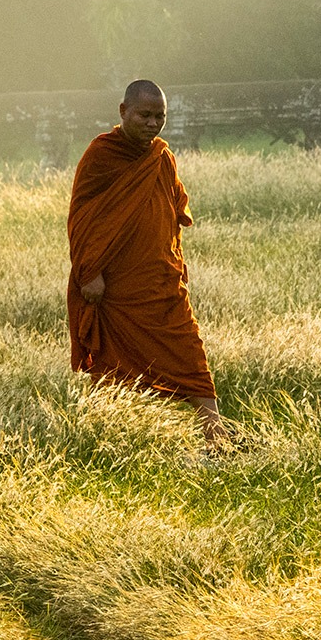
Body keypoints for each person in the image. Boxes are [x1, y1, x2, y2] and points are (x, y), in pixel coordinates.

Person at [67, 79, 227, 447]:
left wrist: (175, 262)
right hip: (116, 285)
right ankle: (111, 438)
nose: (153, 124)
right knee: (114, 365)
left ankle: (216, 438)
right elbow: (81, 219)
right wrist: (88, 272)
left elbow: (173, 215)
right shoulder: (101, 156)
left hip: (161, 280)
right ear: (123, 112)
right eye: (144, 115)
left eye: (160, 117)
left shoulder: (162, 157)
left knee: (190, 354)